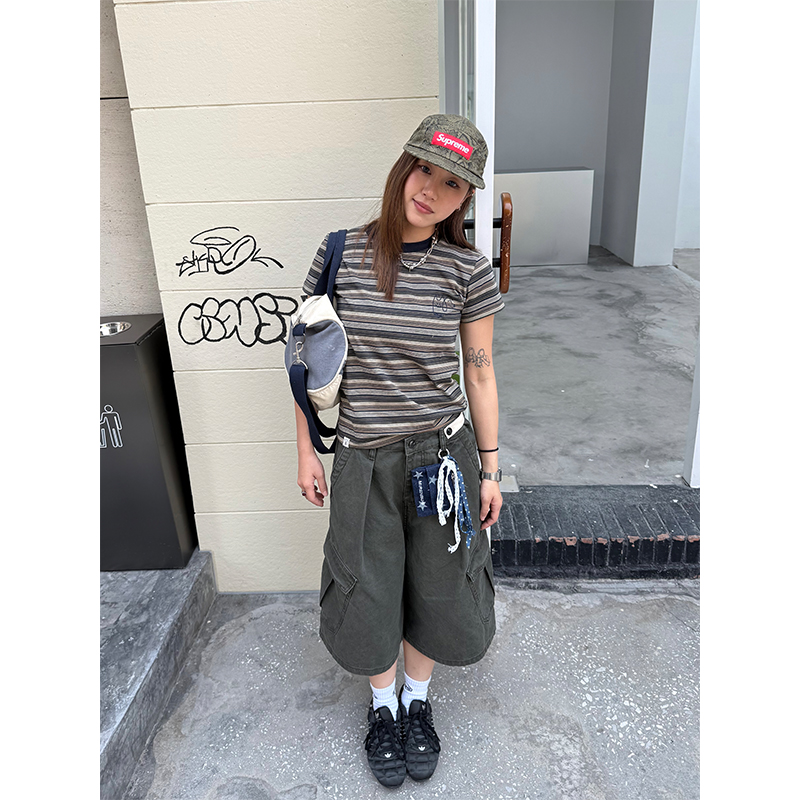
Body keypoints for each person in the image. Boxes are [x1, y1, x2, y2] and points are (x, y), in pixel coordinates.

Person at [294, 114, 504, 788]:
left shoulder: (468, 270)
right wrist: (307, 451)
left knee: (441, 586)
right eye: (424, 170)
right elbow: (305, 362)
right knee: (369, 586)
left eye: (452, 184)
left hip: (443, 461)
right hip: (364, 457)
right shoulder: (341, 253)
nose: (431, 191)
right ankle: (382, 708)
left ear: (465, 198)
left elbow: (479, 373)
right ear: (403, 166)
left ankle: (417, 702)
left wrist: (491, 469)